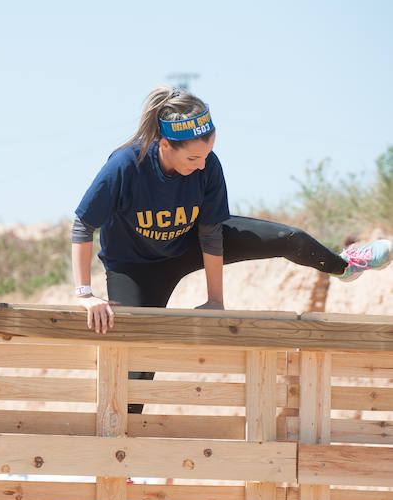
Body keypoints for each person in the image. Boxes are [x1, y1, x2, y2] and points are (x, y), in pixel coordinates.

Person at [72, 85, 391, 413]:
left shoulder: (207, 167)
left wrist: (215, 300)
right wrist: (85, 293)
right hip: (133, 266)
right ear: (164, 144)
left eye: (206, 155)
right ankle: (124, 453)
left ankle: (346, 266)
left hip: (188, 244)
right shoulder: (125, 165)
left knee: (289, 237)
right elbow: (83, 226)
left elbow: (211, 235)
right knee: (134, 370)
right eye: (193, 157)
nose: (200, 165)